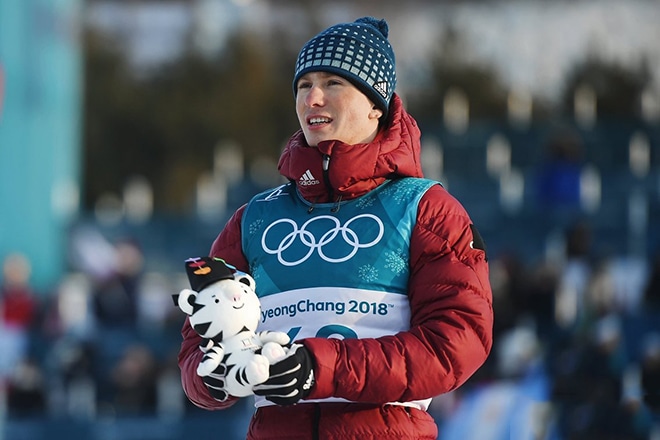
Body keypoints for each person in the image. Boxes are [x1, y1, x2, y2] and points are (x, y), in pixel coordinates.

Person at [177, 16, 493, 439]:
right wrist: (213, 377)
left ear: (376, 105)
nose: (313, 98)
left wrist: (320, 368)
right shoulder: (254, 218)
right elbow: (198, 339)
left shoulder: (427, 209)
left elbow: (455, 342)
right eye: (304, 85)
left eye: (334, 83)